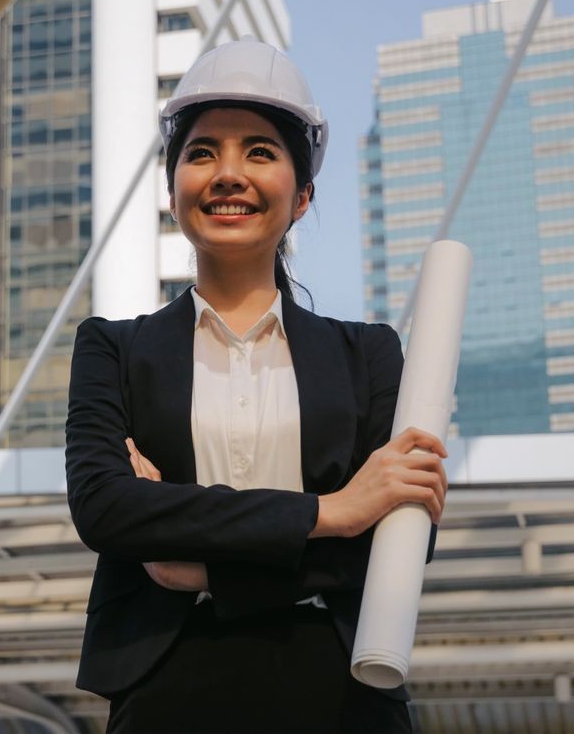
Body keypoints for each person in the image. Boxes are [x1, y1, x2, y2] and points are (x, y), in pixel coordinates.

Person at [64, 39, 449, 733]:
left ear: (302, 195)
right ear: (173, 184)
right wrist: (333, 510)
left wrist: (206, 566)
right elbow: (106, 509)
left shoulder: (368, 354)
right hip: (166, 690)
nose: (228, 173)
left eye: (261, 152)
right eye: (203, 151)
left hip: (340, 690)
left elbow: (401, 538)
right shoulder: (111, 348)